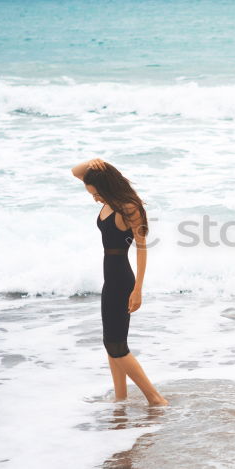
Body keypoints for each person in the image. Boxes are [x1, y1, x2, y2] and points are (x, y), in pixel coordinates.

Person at [71, 157, 168, 406]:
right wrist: (97, 162)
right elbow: (76, 171)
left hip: (122, 280)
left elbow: (142, 248)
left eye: (96, 194)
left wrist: (138, 289)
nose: (94, 199)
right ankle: (120, 399)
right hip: (110, 279)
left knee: (117, 346)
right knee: (110, 343)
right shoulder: (109, 200)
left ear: (106, 187)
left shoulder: (129, 207)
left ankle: (156, 400)